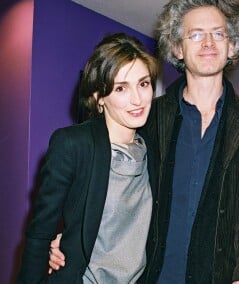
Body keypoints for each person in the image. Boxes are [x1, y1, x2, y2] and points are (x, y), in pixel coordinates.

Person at [49, 0, 239, 283]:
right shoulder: (147, 116)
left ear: (232, 46)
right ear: (177, 48)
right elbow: (104, 180)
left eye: (218, 33)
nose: (208, 42)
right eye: (195, 34)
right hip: (148, 275)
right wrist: (70, 236)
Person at [17, 32, 158, 283]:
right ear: (99, 97)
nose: (137, 99)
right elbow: (40, 233)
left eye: (143, 84)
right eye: (121, 88)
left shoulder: (155, 148)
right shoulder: (74, 145)